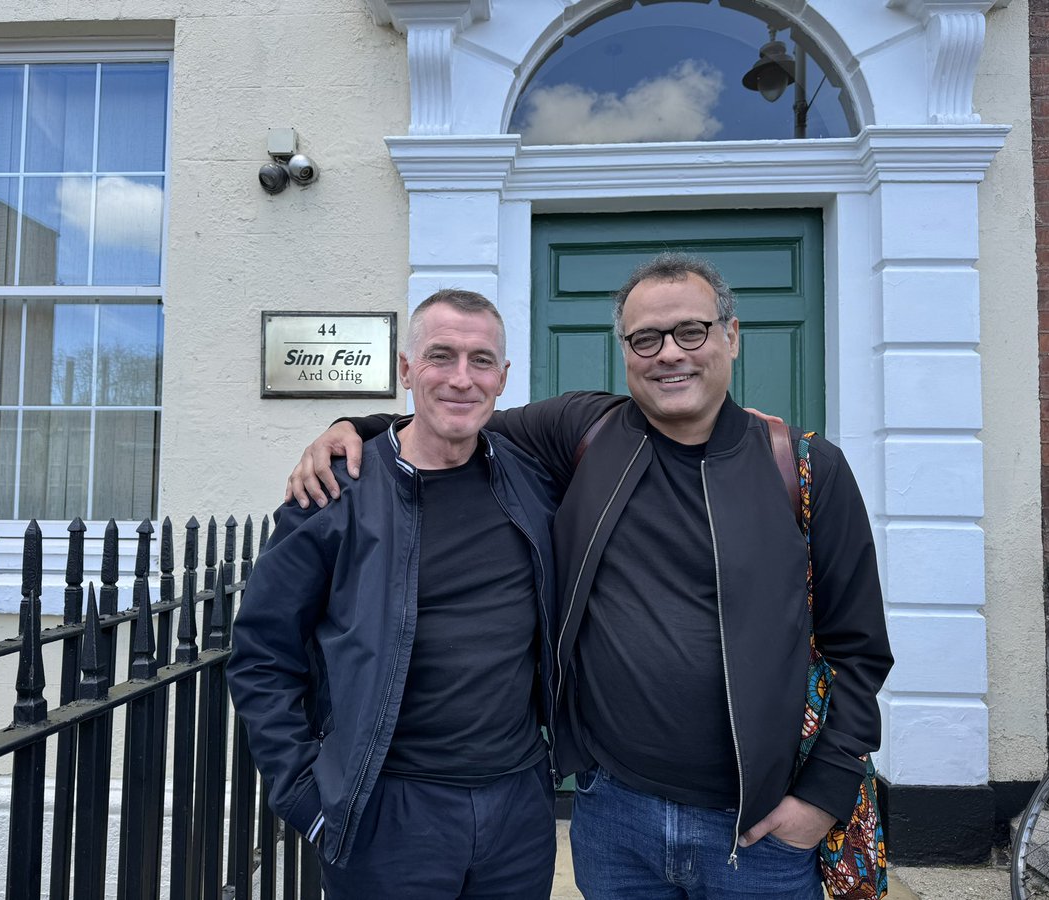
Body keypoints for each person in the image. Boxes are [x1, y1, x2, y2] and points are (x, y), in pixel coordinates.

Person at [288, 253, 894, 900]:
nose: (670, 354)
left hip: (759, 832)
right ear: (625, 350)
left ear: (731, 337)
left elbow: (859, 650)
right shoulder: (586, 431)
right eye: (645, 339)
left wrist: (820, 800)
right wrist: (351, 428)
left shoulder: (804, 469)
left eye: (691, 331)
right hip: (614, 818)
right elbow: (456, 419)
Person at [228, 289, 561, 899]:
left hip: (518, 805)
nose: (463, 378)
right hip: (389, 809)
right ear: (406, 370)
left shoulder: (532, 478)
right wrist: (307, 795)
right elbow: (261, 655)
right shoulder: (335, 492)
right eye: (442, 356)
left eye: (481, 360)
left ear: (504, 377)